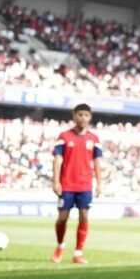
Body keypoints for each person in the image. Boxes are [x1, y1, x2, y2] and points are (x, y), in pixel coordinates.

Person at [51, 103, 103, 264]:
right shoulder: (64, 136)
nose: (83, 118)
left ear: (90, 117)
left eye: (86, 115)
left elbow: (97, 162)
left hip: (85, 185)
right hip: (66, 184)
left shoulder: (94, 139)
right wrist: (56, 181)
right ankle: (60, 246)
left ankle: (78, 253)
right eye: (80, 114)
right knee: (62, 218)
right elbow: (58, 159)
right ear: (74, 116)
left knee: (84, 216)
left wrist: (99, 183)